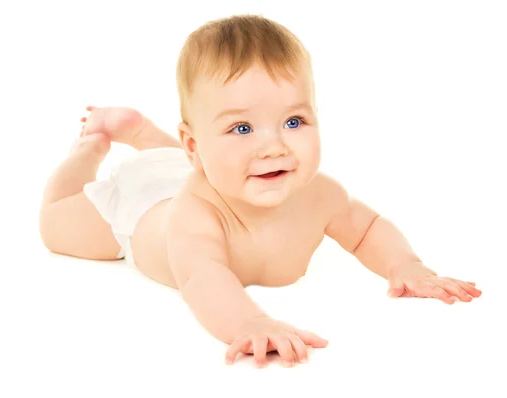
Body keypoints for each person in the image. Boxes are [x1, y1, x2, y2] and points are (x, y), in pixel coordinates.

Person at [39, 14, 482, 368]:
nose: (273, 147)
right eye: (242, 127)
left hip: (190, 168)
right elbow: (201, 276)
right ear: (195, 145)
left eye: (293, 122)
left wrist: (406, 265)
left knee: (180, 164)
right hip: (141, 211)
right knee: (55, 224)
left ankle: (141, 131)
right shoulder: (196, 216)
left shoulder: (318, 193)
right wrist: (249, 322)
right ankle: (91, 146)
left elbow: (367, 229)